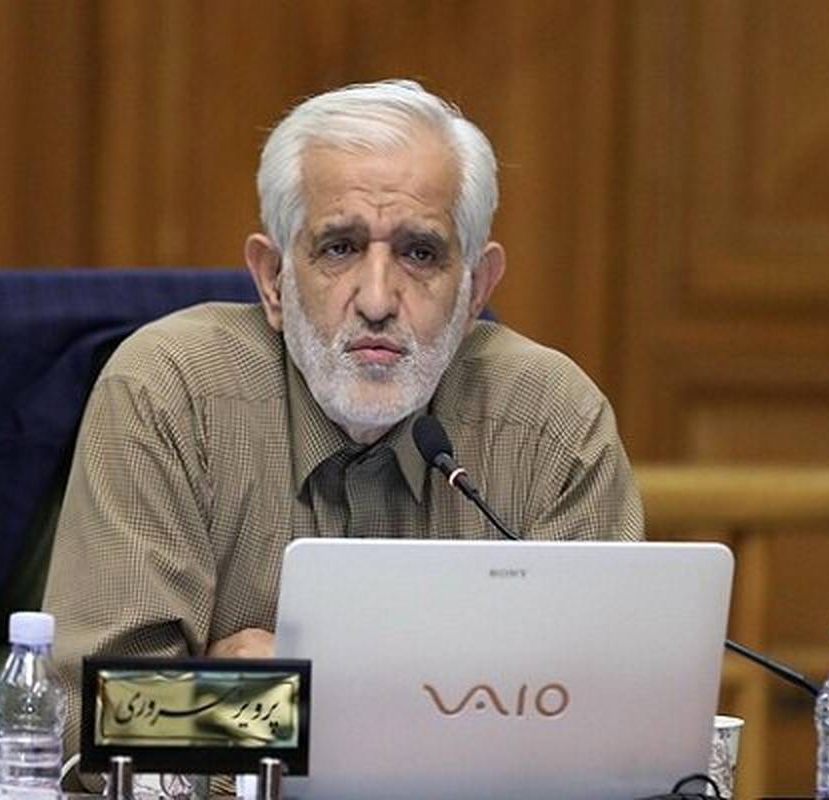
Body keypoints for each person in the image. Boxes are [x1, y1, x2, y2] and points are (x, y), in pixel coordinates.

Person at [43, 79, 643, 772]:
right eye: (339, 248)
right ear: (273, 280)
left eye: (420, 254)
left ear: (476, 288)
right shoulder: (170, 394)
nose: (379, 300)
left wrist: (290, 697)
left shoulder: (552, 422)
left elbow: (606, 726)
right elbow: (92, 719)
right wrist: (433, 713)